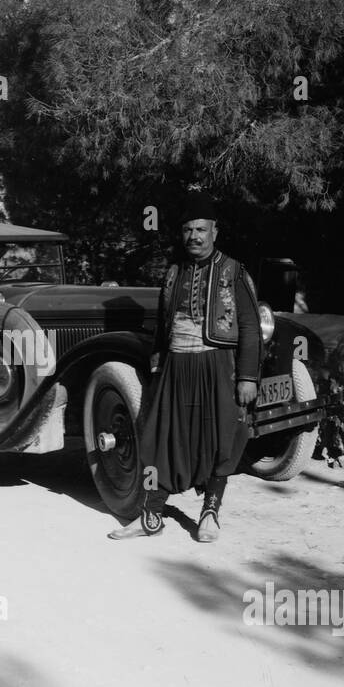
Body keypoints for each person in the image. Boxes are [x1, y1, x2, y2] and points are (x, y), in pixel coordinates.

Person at [109, 191, 261, 542]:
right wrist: (158, 369)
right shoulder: (174, 272)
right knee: (157, 440)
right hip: (176, 368)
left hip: (217, 366)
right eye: (188, 230)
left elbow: (251, 327)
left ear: (215, 232)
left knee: (220, 440)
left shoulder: (234, 271)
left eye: (201, 229)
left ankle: (210, 513)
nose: (194, 236)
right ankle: (150, 516)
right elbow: (162, 326)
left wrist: (248, 376)